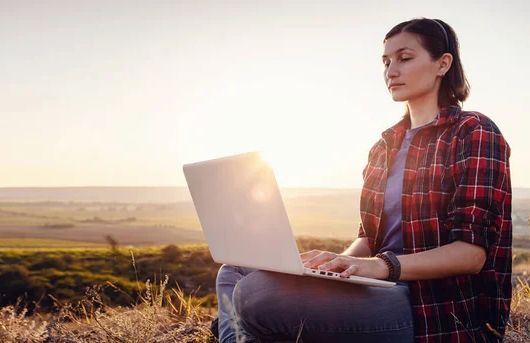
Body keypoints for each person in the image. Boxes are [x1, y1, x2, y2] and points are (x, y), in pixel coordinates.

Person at [212, 17, 512, 343]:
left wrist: (379, 266)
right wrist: (330, 267)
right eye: (386, 62)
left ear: (443, 63)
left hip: (434, 306)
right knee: (235, 271)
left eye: (404, 58)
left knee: (258, 296)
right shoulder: (384, 146)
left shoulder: (474, 131)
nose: (390, 71)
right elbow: (368, 240)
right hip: (378, 286)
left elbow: (470, 255)